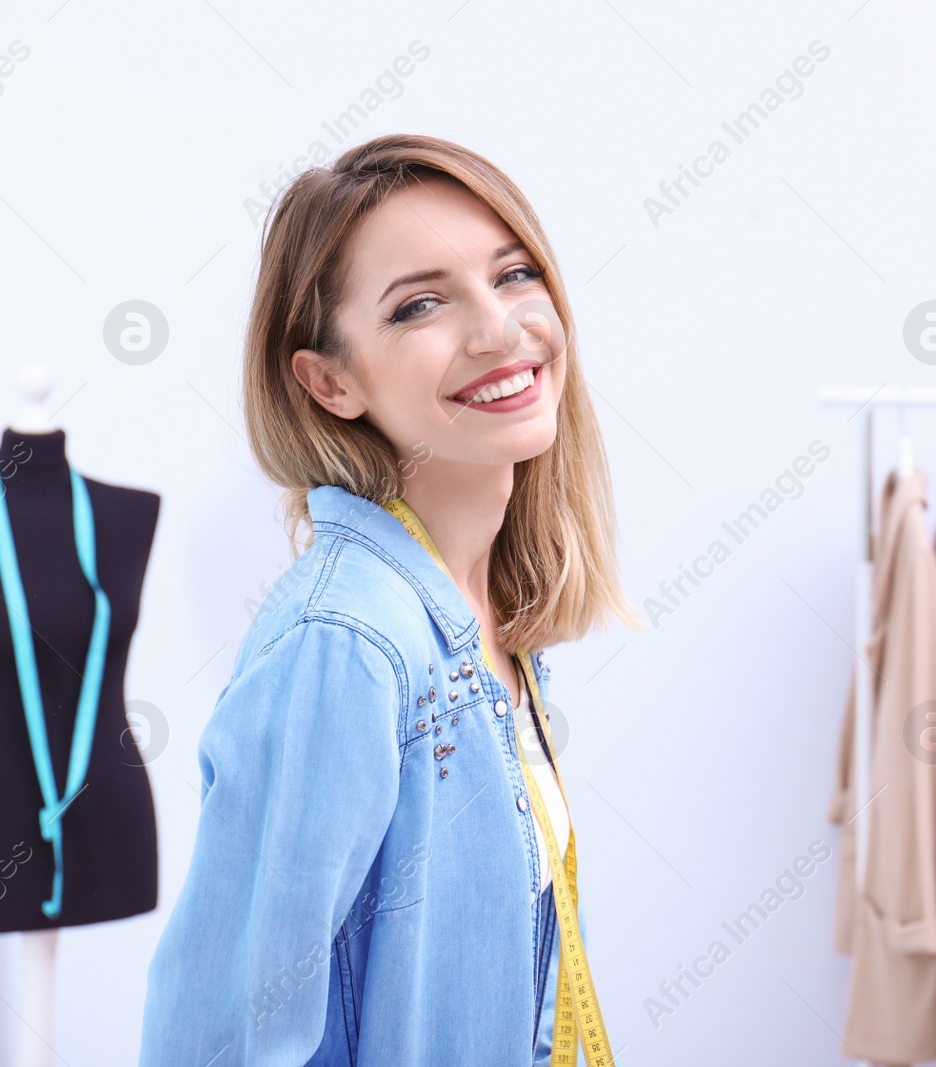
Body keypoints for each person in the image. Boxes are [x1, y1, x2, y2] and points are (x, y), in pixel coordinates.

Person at [139, 133, 639, 1066]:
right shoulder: (347, 642)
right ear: (331, 382)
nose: (499, 329)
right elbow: (223, 1039)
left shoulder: (478, 619)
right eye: (419, 305)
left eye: (515, 274)